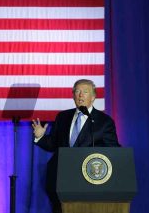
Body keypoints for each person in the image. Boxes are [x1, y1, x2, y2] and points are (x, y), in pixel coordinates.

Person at [32, 79, 120, 213]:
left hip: (88, 183)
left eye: (85, 92)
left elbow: (112, 151)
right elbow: (53, 144)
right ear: (73, 96)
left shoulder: (104, 122)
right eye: (77, 91)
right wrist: (40, 137)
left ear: (93, 97)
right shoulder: (62, 117)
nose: (80, 95)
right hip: (60, 181)